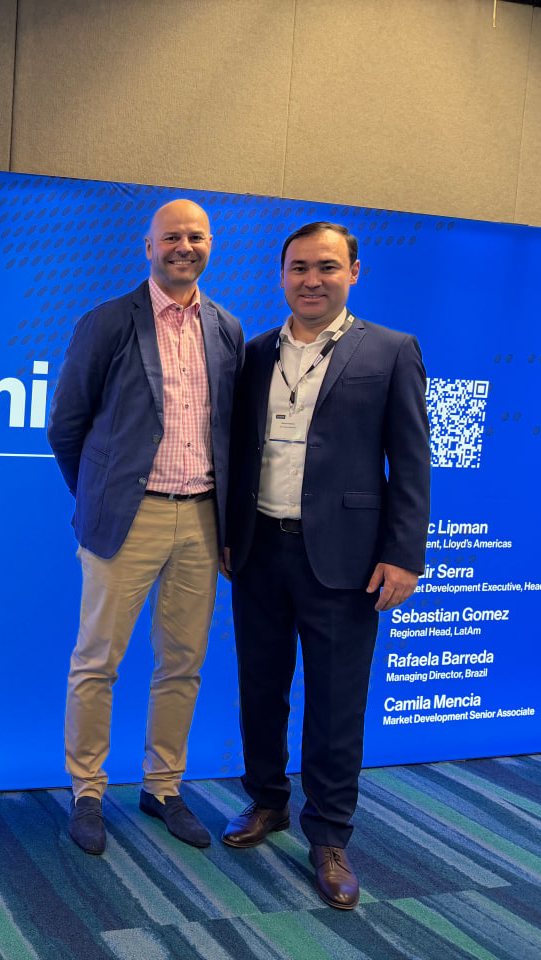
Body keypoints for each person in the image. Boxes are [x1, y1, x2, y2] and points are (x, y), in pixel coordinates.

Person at [222, 222, 430, 908]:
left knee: (337, 701)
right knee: (260, 687)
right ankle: (266, 800)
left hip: (347, 559)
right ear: (282, 274)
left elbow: (412, 461)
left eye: (327, 267)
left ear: (353, 273)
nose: (312, 280)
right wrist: (228, 534)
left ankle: (331, 834)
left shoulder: (392, 350)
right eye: (300, 267)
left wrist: (403, 554)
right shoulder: (255, 352)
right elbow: (239, 452)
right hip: (258, 549)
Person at [48, 198, 244, 853]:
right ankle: (87, 791)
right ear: (149, 246)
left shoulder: (226, 328)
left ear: (209, 244)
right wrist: (101, 499)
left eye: (196, 236)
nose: (185, 246)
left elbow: (230, 432)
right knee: (96, 661)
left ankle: (163, 787)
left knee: (183, 662)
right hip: (126, 520)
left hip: (201, 520)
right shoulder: (107, 322)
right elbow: (66, 425)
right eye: (172, 237)